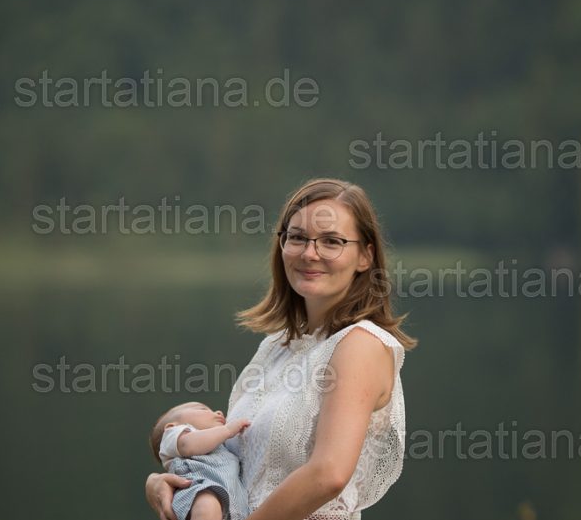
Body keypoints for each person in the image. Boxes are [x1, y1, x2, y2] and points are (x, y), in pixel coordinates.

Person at [146, 178, 418, 520]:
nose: (309, 253)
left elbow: (329, 474)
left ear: (365, 256)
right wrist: (164, 479)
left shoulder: (360, 344)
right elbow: (237, 461)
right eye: (298, 237)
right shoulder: (277, 346)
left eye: (331, 241)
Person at [149, 401, 251, 520]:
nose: (218, 412)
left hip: (233, 503)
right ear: (171, 427)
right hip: (198, 489)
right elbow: (188, 444)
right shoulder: (174, 436)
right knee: (207, 505)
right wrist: (227, 430)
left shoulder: (220, 446)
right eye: (203, 409)